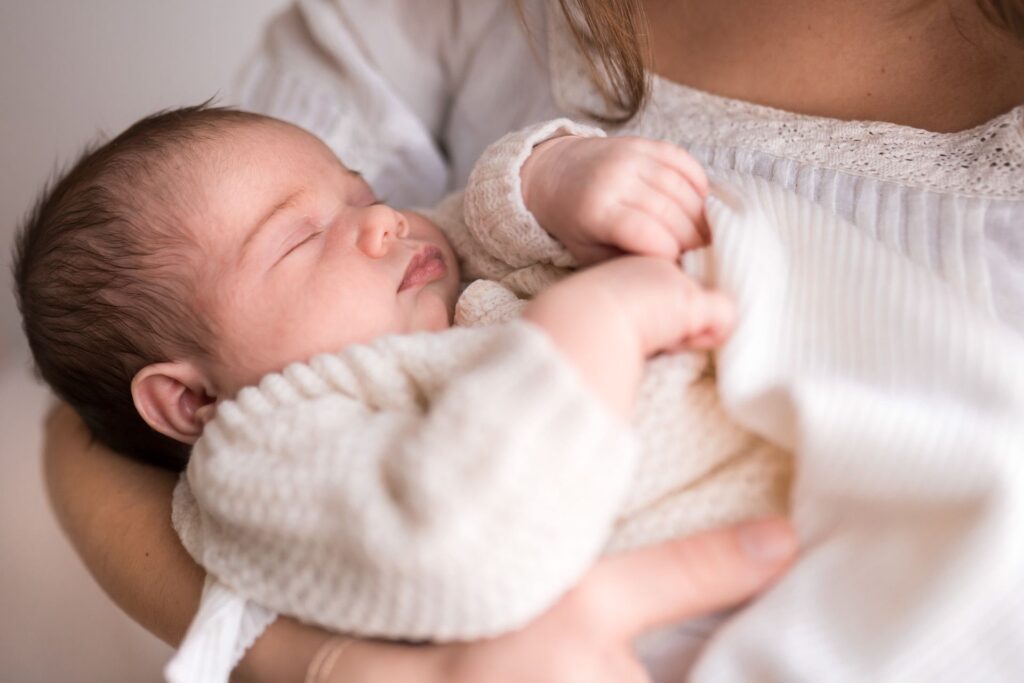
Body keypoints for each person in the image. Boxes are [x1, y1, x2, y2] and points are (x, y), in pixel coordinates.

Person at [41, 0, 1024, 680]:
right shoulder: (265, 450)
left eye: (364, 191)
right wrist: (595, 321)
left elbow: (469, 220)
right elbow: (457, 541)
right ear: (191, 403)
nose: (383, 221)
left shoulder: (411, 300)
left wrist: (549, 180)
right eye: (303, 237)